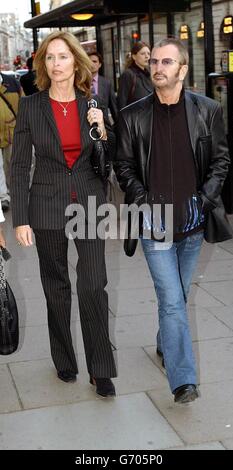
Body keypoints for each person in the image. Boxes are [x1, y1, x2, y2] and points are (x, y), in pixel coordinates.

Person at [115, 37, 233, 404]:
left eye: (167, 62)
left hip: (193, 223)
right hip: (155, 225)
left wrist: (204, 198)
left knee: (177, 296)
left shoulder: (207, 110)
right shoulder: (132, 115)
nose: (158, 68)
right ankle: (184, 381)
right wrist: (142, 201)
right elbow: (124, 166)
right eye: (153, 62)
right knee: (170, 299)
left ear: (182, 69)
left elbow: (221, 160)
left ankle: (167, 341)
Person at [10, 31, 117, 397]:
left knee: (92, 285)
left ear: (76, 62)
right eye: (50, 58)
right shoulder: (31, 106)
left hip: (88, 199)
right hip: (46, 204)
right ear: (44, 64)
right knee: (56, 288)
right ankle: (65, 361)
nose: (56, 64)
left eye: (63, 56)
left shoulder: (94, 102)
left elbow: (108, 160)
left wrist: (103, 131)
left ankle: (101, 369)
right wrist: (20, 217)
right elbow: (20, 163)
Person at [0, 71, 22, 210]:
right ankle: (3, 196)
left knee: (10, 164)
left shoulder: (12, 82)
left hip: (11, 131)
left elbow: (23, 104)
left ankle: (11, 191)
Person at [117, 41, 153, 110]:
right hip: (135, 119)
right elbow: (121, 102)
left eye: (148, 53)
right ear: (134, 56)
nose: (147, 56)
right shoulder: (128, 74)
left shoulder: (149, 74)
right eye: (143, 54)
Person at [88, 51, 118, 124]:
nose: (92, 64)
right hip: (86, 126)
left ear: (100, 64)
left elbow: (114, 108)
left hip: (104, 125)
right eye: (89, 61)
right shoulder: (80, 83)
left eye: (95, 61)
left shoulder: (106, 83)